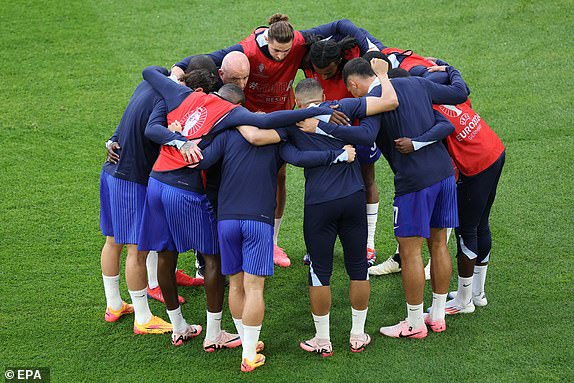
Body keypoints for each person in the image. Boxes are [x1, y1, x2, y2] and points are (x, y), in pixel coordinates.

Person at [138, 65, 346, 347]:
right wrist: (312, 111)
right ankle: (214, 335)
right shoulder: (230, 114)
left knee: (165, 253)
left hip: (156, 181)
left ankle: (179, 327)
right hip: (187, 190)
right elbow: (267, 125)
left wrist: (175, 78)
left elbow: (150, 72)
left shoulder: (181, 96)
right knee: (213, 259)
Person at [171, 15, 380, 267]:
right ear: (266, 39)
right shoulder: (246, 49)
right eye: (276, 50)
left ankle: (272, 242)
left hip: (282, 120)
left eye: (286, 51)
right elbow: (209, 58)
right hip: (247, 118)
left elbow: (339, 25)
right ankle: (210, 250)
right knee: (233, 173)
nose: (282, 56)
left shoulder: (298, 41)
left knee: (280, 176)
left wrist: (372, 48)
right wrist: (175, 73)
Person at [299, 57, 468, 338]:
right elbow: (460, 94)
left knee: (411, 252)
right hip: (444, 176)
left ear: (353, 84)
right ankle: (437, 315)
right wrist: (450, 68)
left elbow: (365, 137)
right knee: (439, 245)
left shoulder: (374, 99)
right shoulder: (418, 83)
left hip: (414, 184)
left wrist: (322, 127)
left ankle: (414, 323)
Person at [241, 58, 398, 356]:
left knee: (319, 271)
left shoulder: (290, 121)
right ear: (324, 97)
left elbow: (292, 156)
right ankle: (357, 334)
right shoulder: (343, 108)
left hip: (319, 204)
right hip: (353, 197)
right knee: (358, 269)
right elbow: (384, 103)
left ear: (297, 101)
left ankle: (322, 340)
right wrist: (381, 75)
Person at [186, 121, 354, 372]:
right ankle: (249, 353)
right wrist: (339, 154)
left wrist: (180, 137)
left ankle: (246, 343)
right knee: (254, 288)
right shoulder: (277, 142)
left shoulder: (228, 136)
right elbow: (301, 157)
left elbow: (198, 161)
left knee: (236, 283)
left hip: (227, 220)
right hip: (259, 221)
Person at [390, 64, 505, 314]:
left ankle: (464, 300)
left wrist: (416, 143)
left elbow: (444, 131)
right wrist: (449, 67)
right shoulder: (448, 93)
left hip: (476, 166)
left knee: (466, 230)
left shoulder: (423, 109)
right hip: (494, 149)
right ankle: (477, 292)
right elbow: (464, 91)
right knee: (481, 223)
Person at [99, 67, 202, 335]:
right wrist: (177, 137)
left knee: (113, 241)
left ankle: (114, 305)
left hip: (111, 171)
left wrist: (112, 138)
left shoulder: (150, 79)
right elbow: (151, 130)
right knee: (137, 250)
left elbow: (129, 118)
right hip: (131, 180)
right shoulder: (165, 99)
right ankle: (143, 317)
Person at [304, 37, 385, 266]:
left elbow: (347, 25)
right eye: (319, 73)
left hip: (358, 132)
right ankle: (317, 245)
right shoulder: (313, 63)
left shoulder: (352, 65)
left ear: (338, 62)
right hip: (323, 135)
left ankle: (368, 243)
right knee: (318, 180)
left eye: (328, 72)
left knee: (367, 180)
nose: (324, 76)